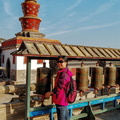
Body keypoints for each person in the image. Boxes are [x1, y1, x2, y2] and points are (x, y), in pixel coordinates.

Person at [45, 55, 73, 120]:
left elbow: (59, 87)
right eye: (58, 62)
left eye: (61, 61)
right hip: (64, 99)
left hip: (61, 99)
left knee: (62, 118)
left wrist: (50, 93)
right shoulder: (65, 72)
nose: (59, 63)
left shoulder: (63, 74)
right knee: (66, 117)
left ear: (66, 62)